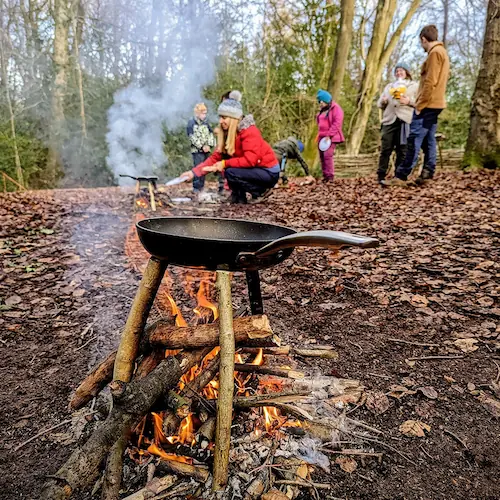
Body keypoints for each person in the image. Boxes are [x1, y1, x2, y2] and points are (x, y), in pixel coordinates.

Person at [180, 91, 279, 204]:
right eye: (220, 117)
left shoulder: (250, 132)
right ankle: (238, 198)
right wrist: (194, 173)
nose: (220, 121)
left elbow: (250, 160)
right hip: (256, 170)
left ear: (233, 118)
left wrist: (224, 164)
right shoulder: (227, 134)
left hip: (268, 171)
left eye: (224, 117)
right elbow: (215, 158)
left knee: (230, 170)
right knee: (230, 170)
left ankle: (260, 191)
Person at [383, 25, 450, 186]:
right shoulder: (443, 53)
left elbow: (430, 82)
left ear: (423, 39)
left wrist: (419, 105)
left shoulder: (434, 54)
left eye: (421, 43)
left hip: (428, 104)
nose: (422, 46)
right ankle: (427, 173)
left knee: (413, 139)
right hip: (436, 103)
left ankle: (401, 175)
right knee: (428, 139)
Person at [377, 62, 418, 184]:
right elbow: (379, 103)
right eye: (397, 71)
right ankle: (381, 175)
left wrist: (409, 101)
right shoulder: (389, 87)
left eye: (401, 70)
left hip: (405, 120)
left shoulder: (414, 86)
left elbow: (420, 102)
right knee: (386, 148)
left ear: (407, 72)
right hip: (389, 120)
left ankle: (399, 176)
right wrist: (383, 101)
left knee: (402, 149)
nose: (399, 73)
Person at [186, 103, 217, 193]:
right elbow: (192, 137)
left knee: (204, 168)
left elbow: (211, 134)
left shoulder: (206, 123)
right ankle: (196, 187)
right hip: (197, 151)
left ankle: (202, 186)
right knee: (197, 167)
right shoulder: (191, 123)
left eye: (205, 113)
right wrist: (201, 146)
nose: (204, 115)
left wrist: (209, 145)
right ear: (197, 113)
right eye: (203, 113)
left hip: (206, 149)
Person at [316, 89, 344, 182]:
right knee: (322, 156)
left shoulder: (336, 108)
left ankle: (330, 176)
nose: (320, 103)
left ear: (327, 100)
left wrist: (329, 135)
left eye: (322, 101)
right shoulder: (322, 110)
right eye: (319, 101)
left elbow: (337, 123)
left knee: (327, 155)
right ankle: (325, 175)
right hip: (321, 137)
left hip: (330, 137)